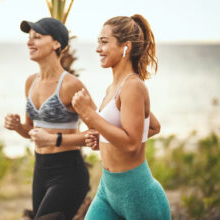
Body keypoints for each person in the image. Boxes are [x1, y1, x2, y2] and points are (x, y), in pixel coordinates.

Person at [71, 14, 171, 219]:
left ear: (126, 47)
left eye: (104, 42)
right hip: (108, 190)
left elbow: (133, 143)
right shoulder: (113, 88)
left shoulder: (133, 87)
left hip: (138, 194)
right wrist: (105, 138)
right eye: (98, 42)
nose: (98, 49)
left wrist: (90, 115)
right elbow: (152, 126)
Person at [4, 17, 89, 220]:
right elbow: (31, 131)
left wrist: (55, 140)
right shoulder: (30, 83)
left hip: (69, 172)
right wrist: (17, 127)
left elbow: (96, 133)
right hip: (41, 170)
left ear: (56, 43)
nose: (29, 42)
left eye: (37, 37)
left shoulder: (71, 85)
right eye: (29, 37)